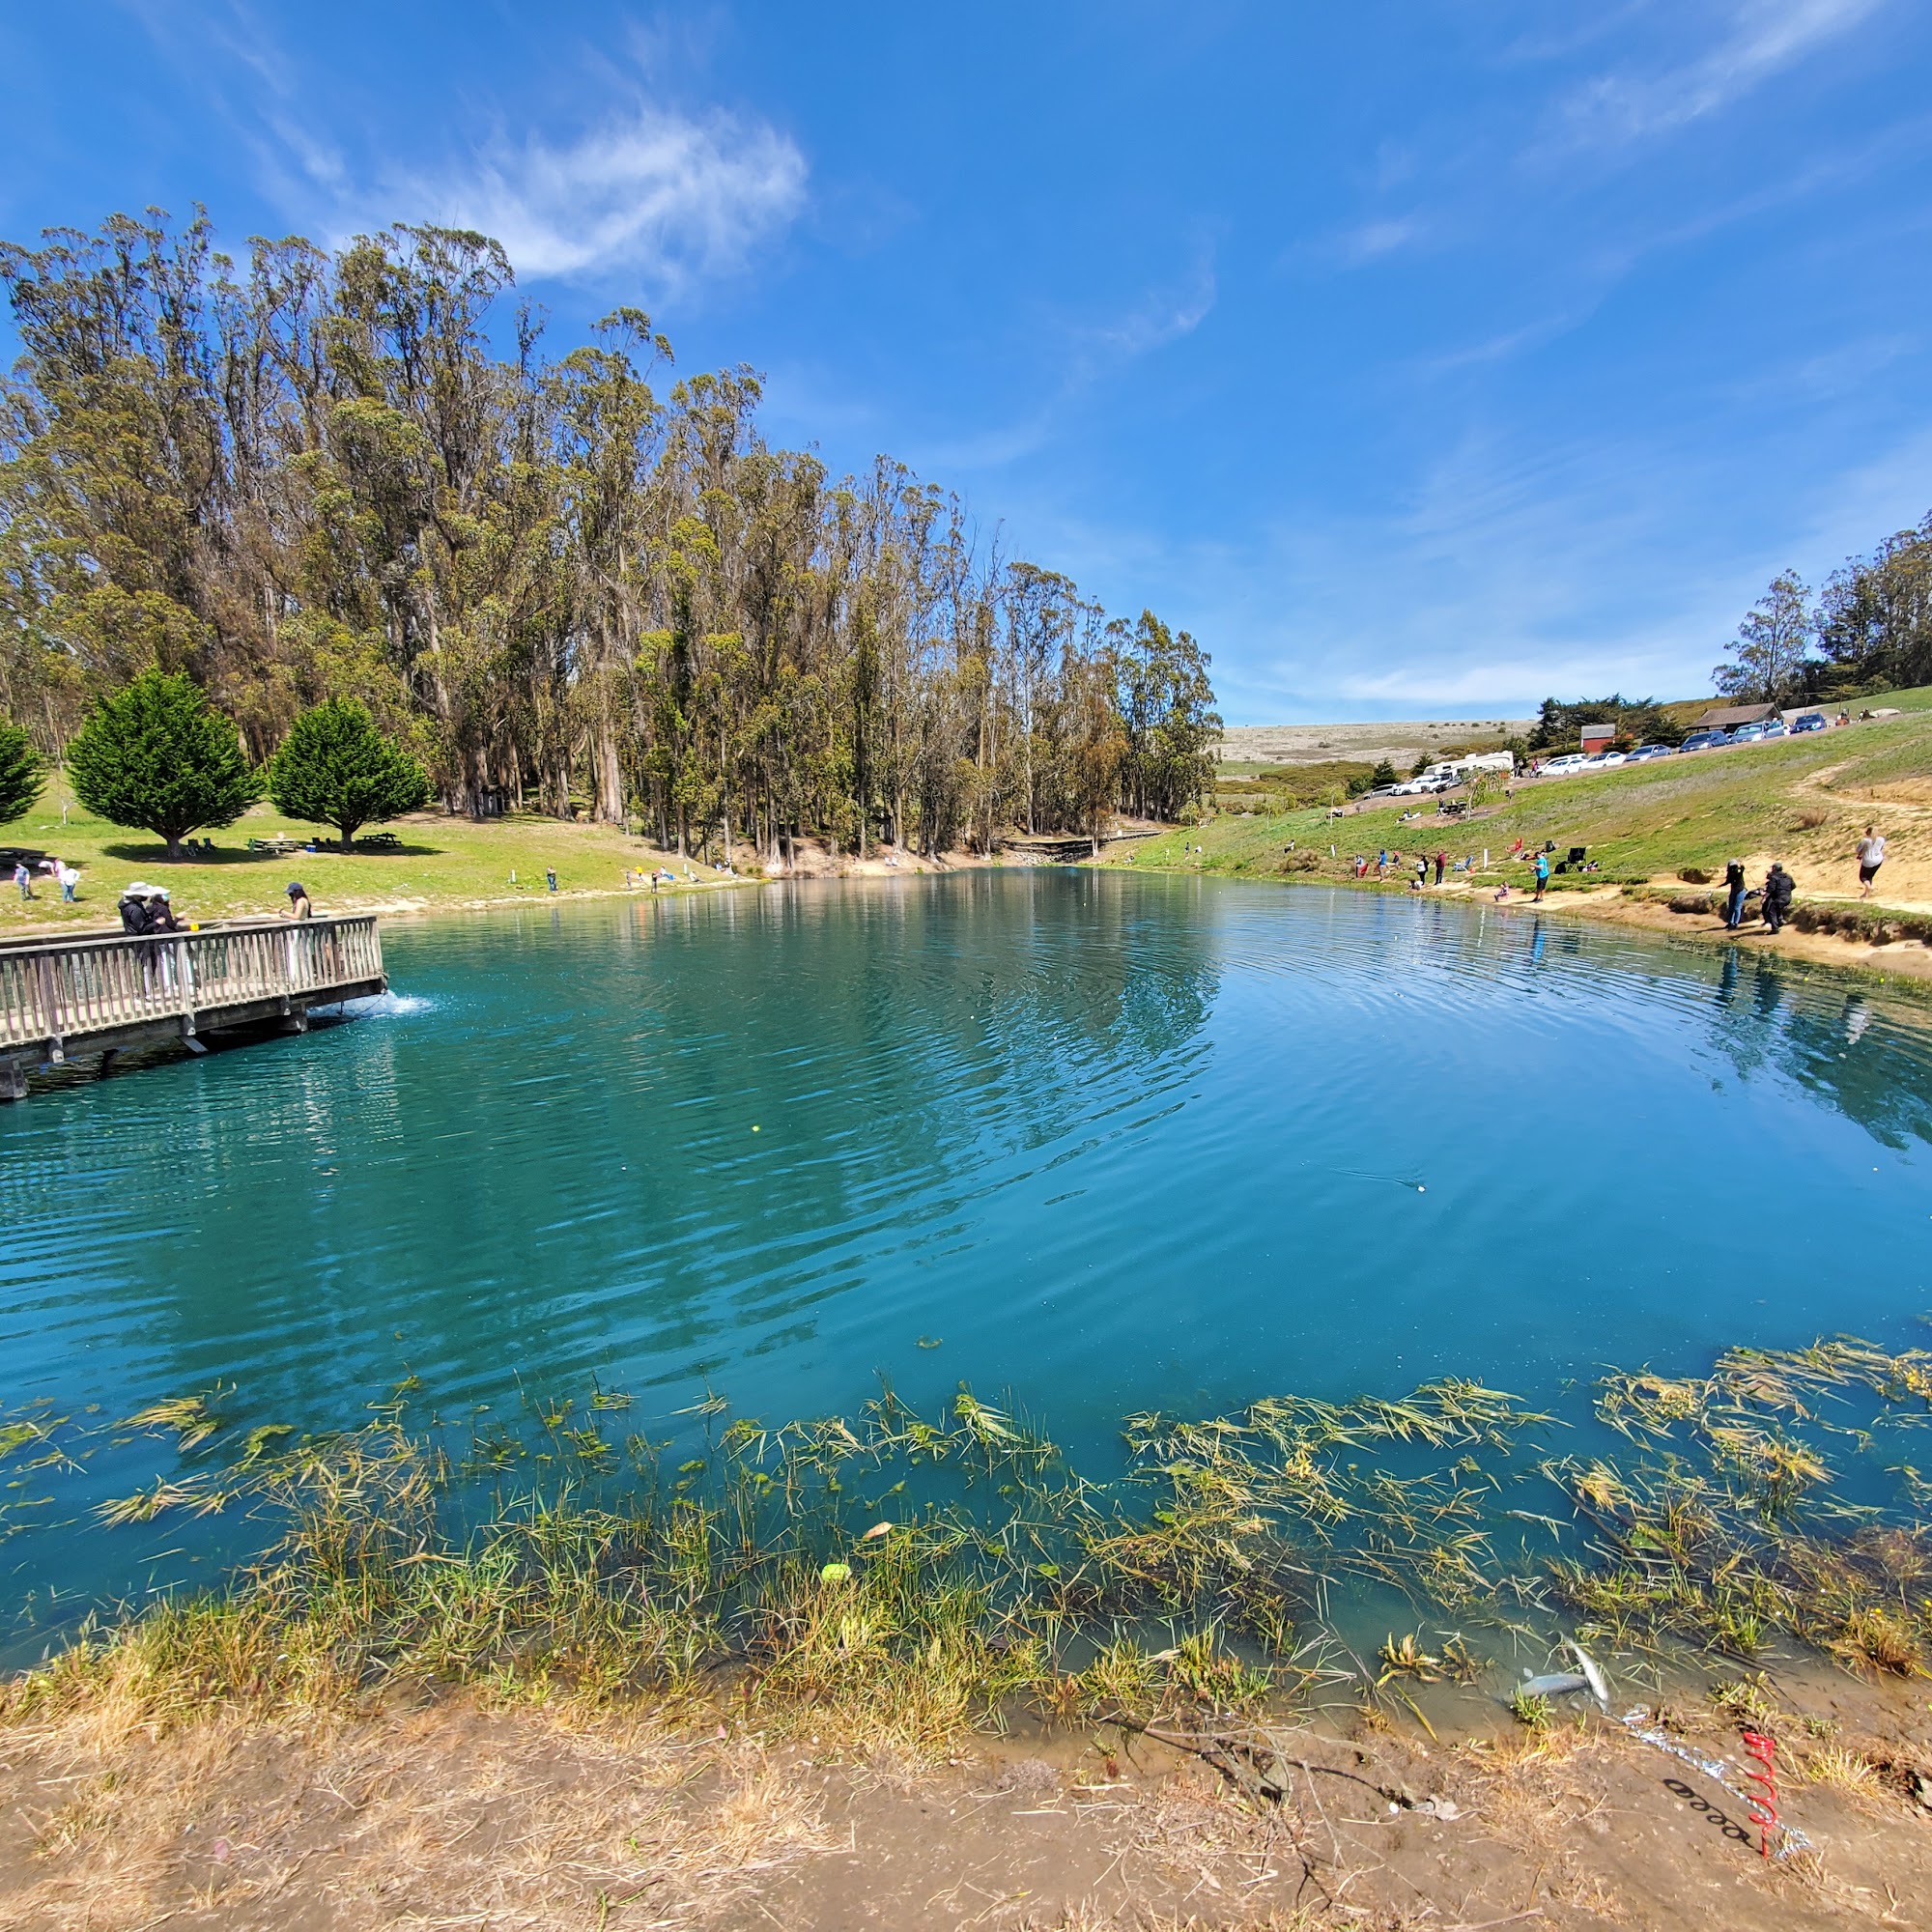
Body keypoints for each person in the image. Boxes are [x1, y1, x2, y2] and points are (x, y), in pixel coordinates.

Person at [1761, 862, 1794, 934]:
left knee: (1771, 911)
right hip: (1788, 898)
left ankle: (1775, 929)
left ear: (1774, 869)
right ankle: (1780, 921)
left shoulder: (1774, 877)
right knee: (1777, 908)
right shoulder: (1788, 876)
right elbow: (1793, 886)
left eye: (1772, 868)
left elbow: (1770, 889)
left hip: (1780, 898)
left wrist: (1764, 898)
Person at [1855, 825, 1886, 899]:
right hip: (1878, 860)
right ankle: (1866, 893)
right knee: (1870, 876)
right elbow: (1881, 848)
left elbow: (1858, 850)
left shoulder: (1865, 841)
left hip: (1868, 860)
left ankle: (1869, 887)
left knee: (1863, 877)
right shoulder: (1881, 839)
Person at [1722, 858, 1747, 929]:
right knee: (1731, 907)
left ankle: (1735, 923)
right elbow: (1728, 881)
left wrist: (1741, 865)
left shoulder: (1738, 871)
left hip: (1740, 891)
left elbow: (1742, 869)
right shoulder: (1730, 873)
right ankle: (1730, 922)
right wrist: (1720, 885)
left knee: (1737, 907)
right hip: (1734, 890)